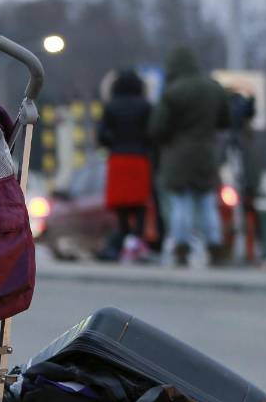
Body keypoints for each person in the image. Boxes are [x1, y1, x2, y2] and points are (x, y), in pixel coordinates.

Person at [149, 46, 230, 268]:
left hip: (178, 155)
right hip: (207, 153)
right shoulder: (213, 88)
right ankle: (215, 246)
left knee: (180, 203)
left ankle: (181, 248)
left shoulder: (172, 92)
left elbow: (157, 128)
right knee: (207, 202)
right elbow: (225, 120)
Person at [97, 69, 153, 263]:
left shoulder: (111, 106)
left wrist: (115, 142)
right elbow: (152, 133)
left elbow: (102, 136)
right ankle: (137, 241)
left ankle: (124, 238)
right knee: (140, 203)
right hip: (139, 159)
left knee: (121, 204)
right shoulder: (146, 106)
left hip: (118, 159)